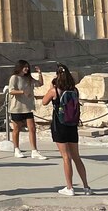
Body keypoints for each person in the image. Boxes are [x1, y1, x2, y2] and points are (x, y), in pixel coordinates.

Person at [42, 63, 91, 197]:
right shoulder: (74, 90)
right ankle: (86, 186)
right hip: (72, 125)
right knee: (76, 157)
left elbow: (44, 102)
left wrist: (51, 88)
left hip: (60, 125)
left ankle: (70, 187)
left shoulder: (55, 91)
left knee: (66, 157)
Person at [8, 60, 46, 160]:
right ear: (20, 67)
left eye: (27, 67)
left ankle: (34, 151)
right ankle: (16, 149)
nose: (27, 69)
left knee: (32, 128)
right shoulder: (14, 78)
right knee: (17, 129)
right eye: (25, 67)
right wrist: (22, 92)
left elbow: (40, 83)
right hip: (17, 108)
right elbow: (11, 91)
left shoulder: (28, 78)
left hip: (28, 108)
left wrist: (39, 73)